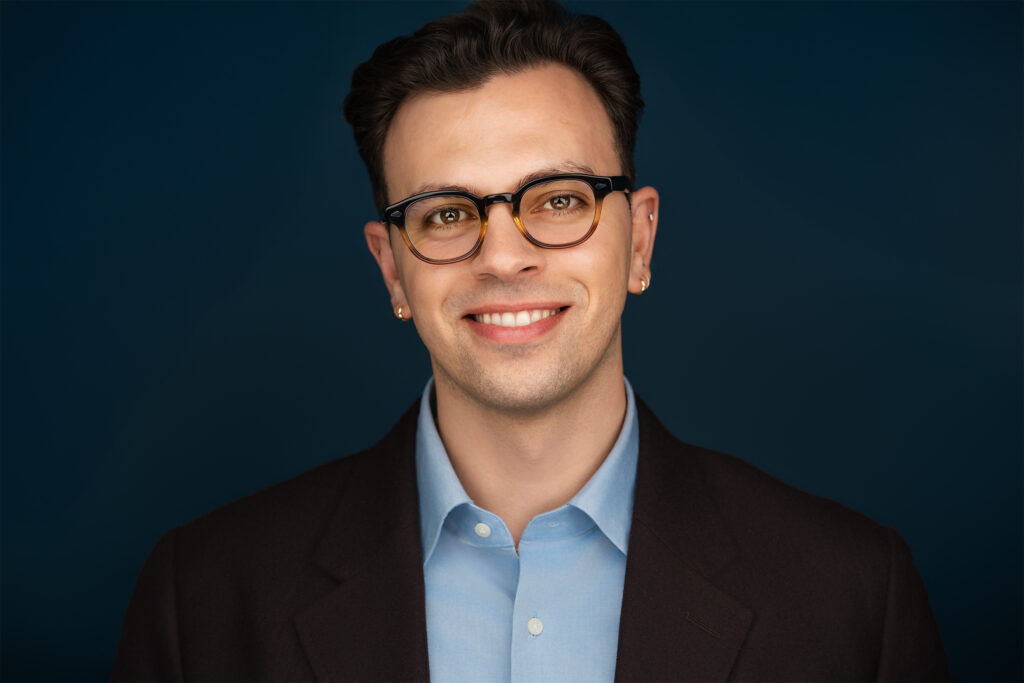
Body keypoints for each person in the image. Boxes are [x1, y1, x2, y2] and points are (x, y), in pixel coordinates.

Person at [112, 1, 950, 680]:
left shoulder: (850, 596)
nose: (504, 254)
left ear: (641, 240)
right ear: (393, 271)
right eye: (446, 214)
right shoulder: (207, 598)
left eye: (558, 199)